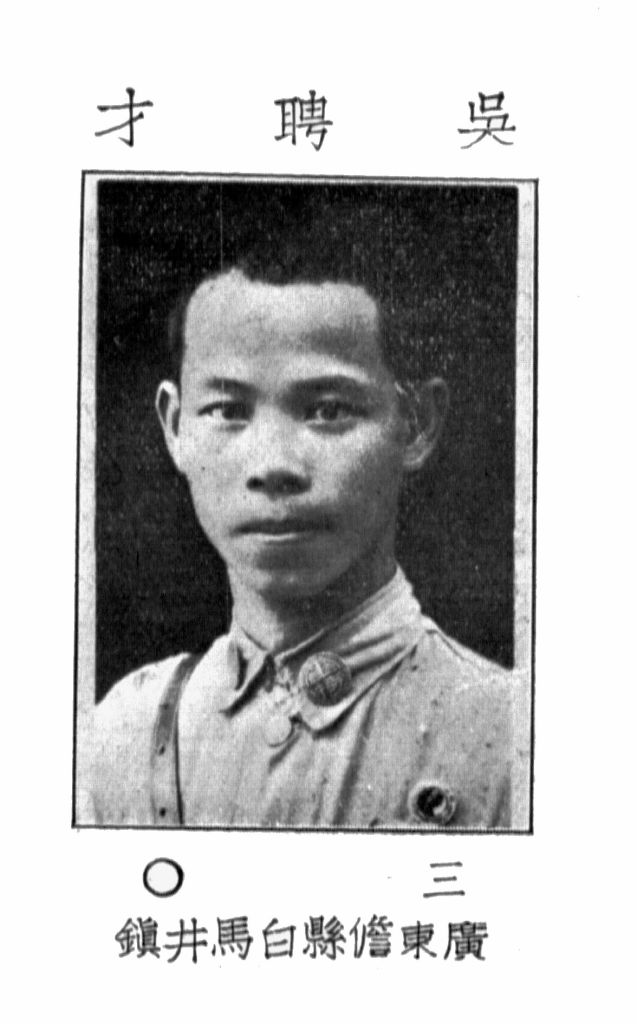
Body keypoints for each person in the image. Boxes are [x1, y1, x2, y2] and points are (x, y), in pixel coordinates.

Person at [81, 267, 529, 829]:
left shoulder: (511, 736)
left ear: (416, 423)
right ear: (176, 428)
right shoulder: (123, 733)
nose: (273, 466)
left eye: (328, 410)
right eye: (228, 411)